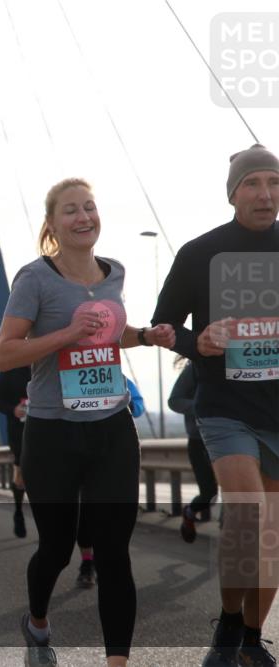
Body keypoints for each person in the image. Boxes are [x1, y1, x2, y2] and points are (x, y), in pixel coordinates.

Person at [0, 177, 175, 667]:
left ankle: (116, 661)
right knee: (55, 548)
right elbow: (6, 354)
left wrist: (145, 334)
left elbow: (108, 336)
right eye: (70, 210)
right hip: (53, 431)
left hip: (112, 427)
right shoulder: (34, 278)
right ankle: (36, 623)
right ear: (52, 224)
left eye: (89, 207)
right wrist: (66, 333)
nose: (83, 217)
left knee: (114, 551)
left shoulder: (114, 273)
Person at [151, 144, 279, 667]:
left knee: (270, 538)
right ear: (232, 193)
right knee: (248, 518)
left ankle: (251, 637)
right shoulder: (200, 253)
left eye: (273, 182)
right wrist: (195, 342)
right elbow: (163, 325)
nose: (265, 194)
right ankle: (228, 625)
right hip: (225, 405)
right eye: (253, 183)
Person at [168, 357, 218, 543]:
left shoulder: (244, 363)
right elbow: (174, 401)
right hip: (200, 440)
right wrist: (201, 406)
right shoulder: (195, 367)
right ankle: (189, 513)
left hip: (239, 437)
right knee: (209, 494)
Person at [0, 366, 31, 537]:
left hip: (47, 428)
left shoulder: (46, 360)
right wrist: (13, 409)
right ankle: (19, 512)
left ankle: (47, 524)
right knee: (21, 474)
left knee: (44, 476)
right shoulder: (11, 367)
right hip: (18, 431)